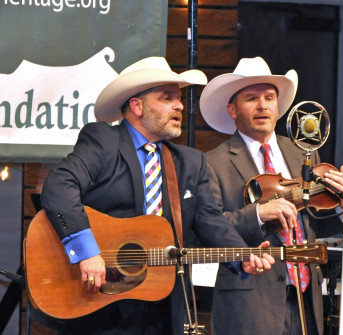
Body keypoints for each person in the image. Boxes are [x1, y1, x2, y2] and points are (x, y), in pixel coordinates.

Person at [40, 56, 275, 335]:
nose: (179, 105)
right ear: (137, 106)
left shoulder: (190, 162)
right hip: (102, 302)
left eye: (178, 98)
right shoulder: (104, 141)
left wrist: (241, 255)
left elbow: (209, 219)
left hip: (163, 305)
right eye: (167, 98)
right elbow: (59, 185)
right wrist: (86, 252)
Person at [199, 56, 343, 335]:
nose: (263, 105)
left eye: (269, 97)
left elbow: (315, 224)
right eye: (251, 98)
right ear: (232, 110)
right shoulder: (212, 162)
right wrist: (258, 215)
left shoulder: (303, 153)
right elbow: (206, 227)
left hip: (306, 301)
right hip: (250, 303)